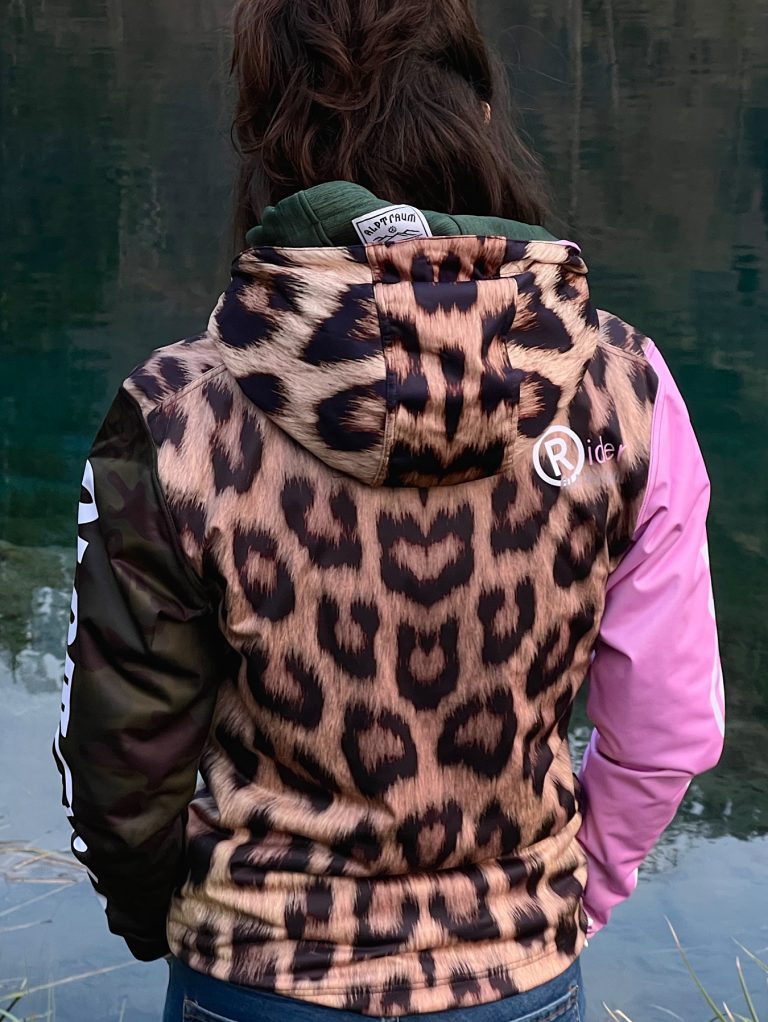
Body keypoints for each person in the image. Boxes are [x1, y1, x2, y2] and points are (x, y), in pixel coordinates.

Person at [52, 2, 726, 1020]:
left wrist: (169, 921)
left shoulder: (178, 414)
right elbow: (668, 728)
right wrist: (566, 902)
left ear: (267, 145)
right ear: (482, 117)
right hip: (519, 975)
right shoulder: (623, 391)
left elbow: (120, 764)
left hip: (256, 974)